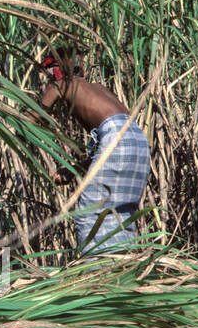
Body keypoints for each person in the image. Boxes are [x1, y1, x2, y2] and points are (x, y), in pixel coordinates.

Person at [36, 47, 150, 253]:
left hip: (116, 140)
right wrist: (72, 171)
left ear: (56, 70)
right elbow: (110, 148)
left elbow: (33, 116)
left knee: (90, 214)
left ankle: (95, 274)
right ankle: (123, 272)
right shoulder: (100, 89)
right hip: (138, 142)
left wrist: (6, 123)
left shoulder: (61, 84)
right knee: (119, 213)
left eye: (48, 74)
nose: (47, 80)